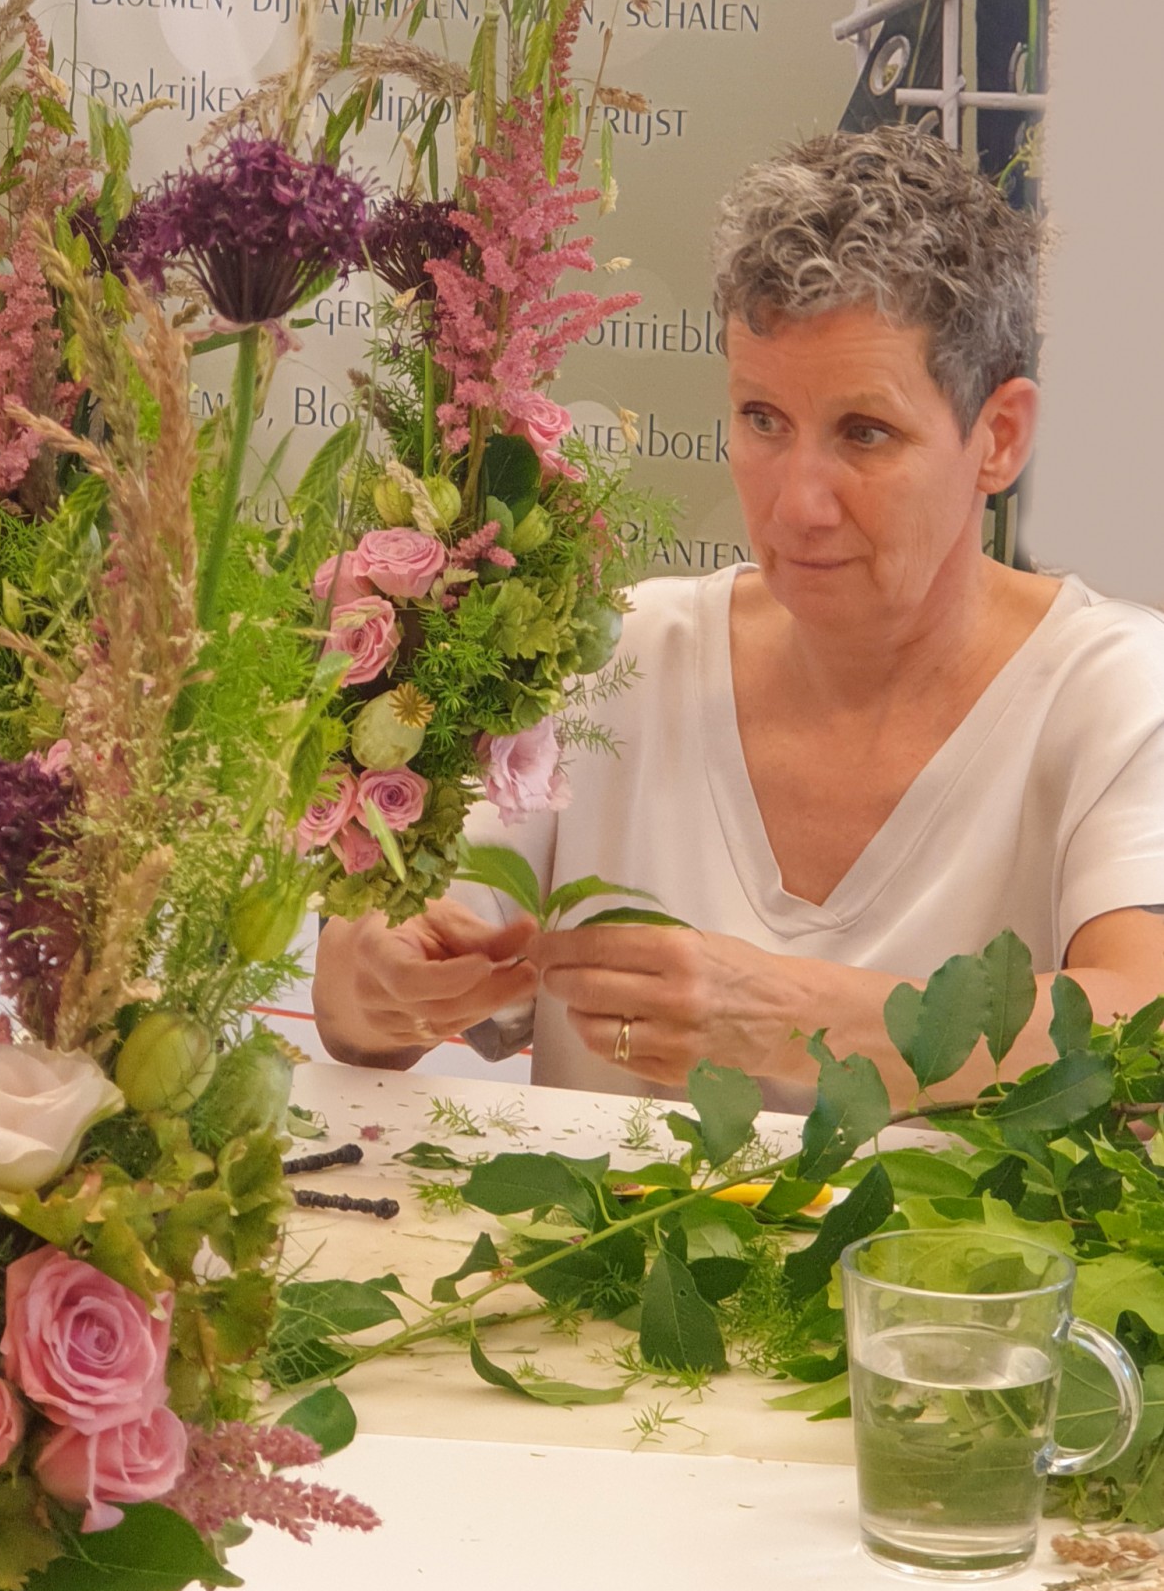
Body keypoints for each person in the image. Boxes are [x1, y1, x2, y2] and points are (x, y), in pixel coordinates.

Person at [312, 127, 1164, 1107]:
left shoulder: (1113, 692)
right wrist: (378, 984)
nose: (798, 503)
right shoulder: (619, 655)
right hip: (592, 1217)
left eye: (865, 433)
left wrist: (790, 1022)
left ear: (999, 437)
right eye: (763, 420)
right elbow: (357, 1003)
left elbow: (1141, 1032)